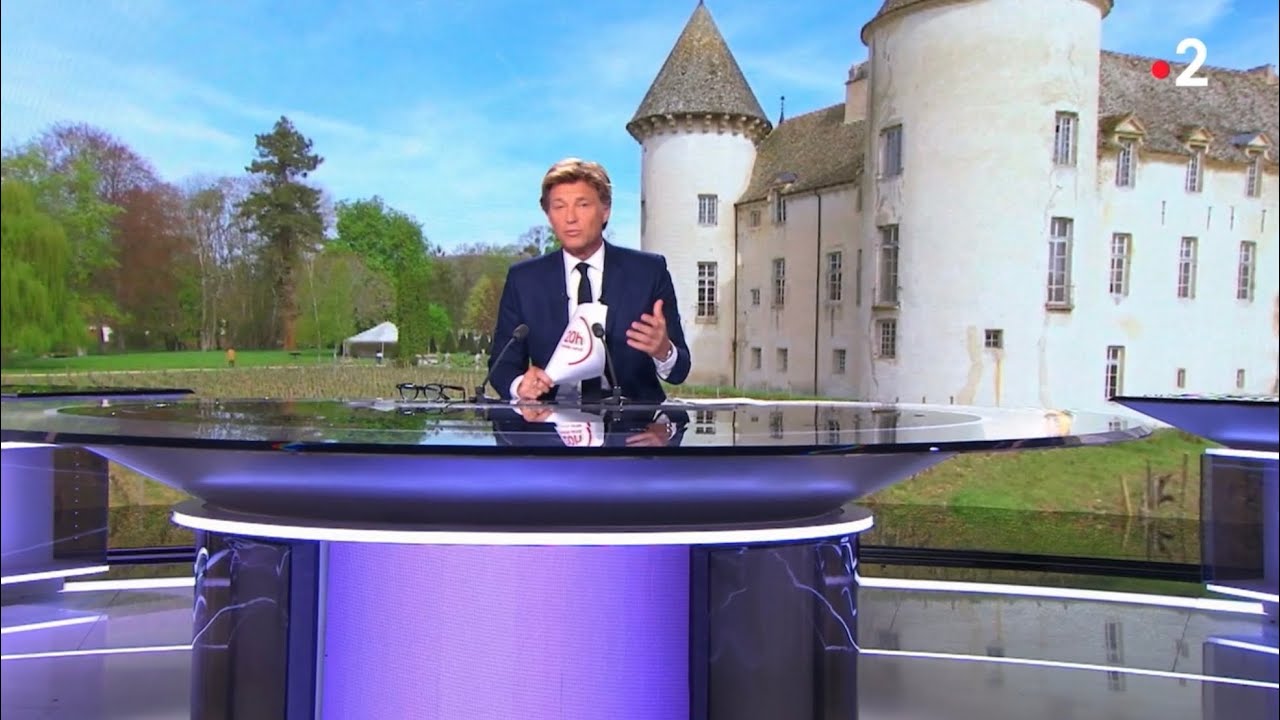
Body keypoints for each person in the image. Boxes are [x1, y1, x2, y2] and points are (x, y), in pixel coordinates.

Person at [486, 158, 692, 405]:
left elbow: (680, 370)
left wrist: (663, 351)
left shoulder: (648, 272)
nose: (570, 218)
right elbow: (502, 365)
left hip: (634, 428)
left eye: (582, 205)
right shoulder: (524, 280)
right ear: (548, 214)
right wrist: (520, 385)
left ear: (605, 211)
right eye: (558, 207)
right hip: (549, 428)